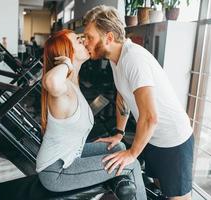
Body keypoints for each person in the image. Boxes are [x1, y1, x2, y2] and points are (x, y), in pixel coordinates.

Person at [83, 5, 194, 200]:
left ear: (108, 38)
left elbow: (150, 117)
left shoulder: (133, 58)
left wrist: (132, 153)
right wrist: (119, 133)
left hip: (173, 140)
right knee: (160, 192)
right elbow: (122, 96)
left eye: (90, 37)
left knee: (177, 198)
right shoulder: (115, 59)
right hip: (152, 138)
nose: (85, 42)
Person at [36, 29, 147, 199]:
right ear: (68, 51)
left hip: (71, 155)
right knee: (131, 164)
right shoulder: (63, 87)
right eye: (79, 41)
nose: (85, 42)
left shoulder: (73, 84)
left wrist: (118, 134)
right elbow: (50, 82)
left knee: (118, 148)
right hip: (57, 171)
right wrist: (66, 63)